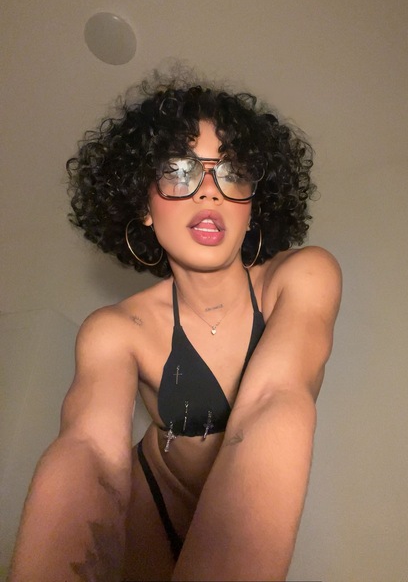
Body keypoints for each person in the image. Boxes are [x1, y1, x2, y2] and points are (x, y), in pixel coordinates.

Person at [9, 74, 341, 581]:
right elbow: (89, 450)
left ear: (253, 206)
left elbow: (275, 398)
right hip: (149, 506)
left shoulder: (303, 276)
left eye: (232, 172)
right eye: (178, 171)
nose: (209, 192)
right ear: (143, 206)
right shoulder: (116, 329)